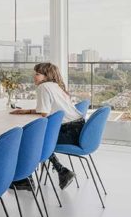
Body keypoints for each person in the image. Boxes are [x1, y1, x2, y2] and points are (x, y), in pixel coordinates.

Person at [10, 62, 81, 190]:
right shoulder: (55, 86)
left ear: (46, 76)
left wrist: (29, 112)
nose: (34, 77)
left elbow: (44, 114)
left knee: (30, 141)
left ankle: (25, 179)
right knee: (37, 139)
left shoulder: (43, 87)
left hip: (69, 131)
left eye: (37, 74)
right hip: (77, 129)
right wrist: (27, 111)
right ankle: (62, 171)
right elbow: (47, 111)